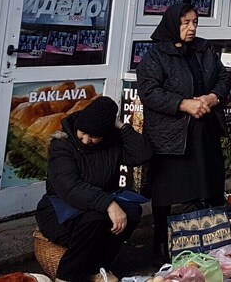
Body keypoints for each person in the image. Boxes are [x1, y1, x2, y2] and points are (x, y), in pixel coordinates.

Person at [136, 3, 231, 264]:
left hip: (203, 131)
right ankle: (161, 245)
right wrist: (183, 104)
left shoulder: (204, 49)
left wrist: (212, 97)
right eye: (185, 23)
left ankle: (212, 239)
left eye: (195, 23)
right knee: (166, 192)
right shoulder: (156, 56)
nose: (191, 28)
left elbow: (223, 78)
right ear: (172, 24)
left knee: (210, 184)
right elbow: (149, 91)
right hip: (170, 135)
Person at [36, 97, 152, 282]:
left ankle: (97, 269)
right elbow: (69, 187)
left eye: (94, 136)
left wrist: (121, 126)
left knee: (132, 211)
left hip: (97, 203)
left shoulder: (111, 144)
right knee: (97, 219)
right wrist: (109, 204)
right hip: (60, 209)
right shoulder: (62, 145)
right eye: (83, 133)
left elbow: (142, 154)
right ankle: (66, 276)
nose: (86, 139)